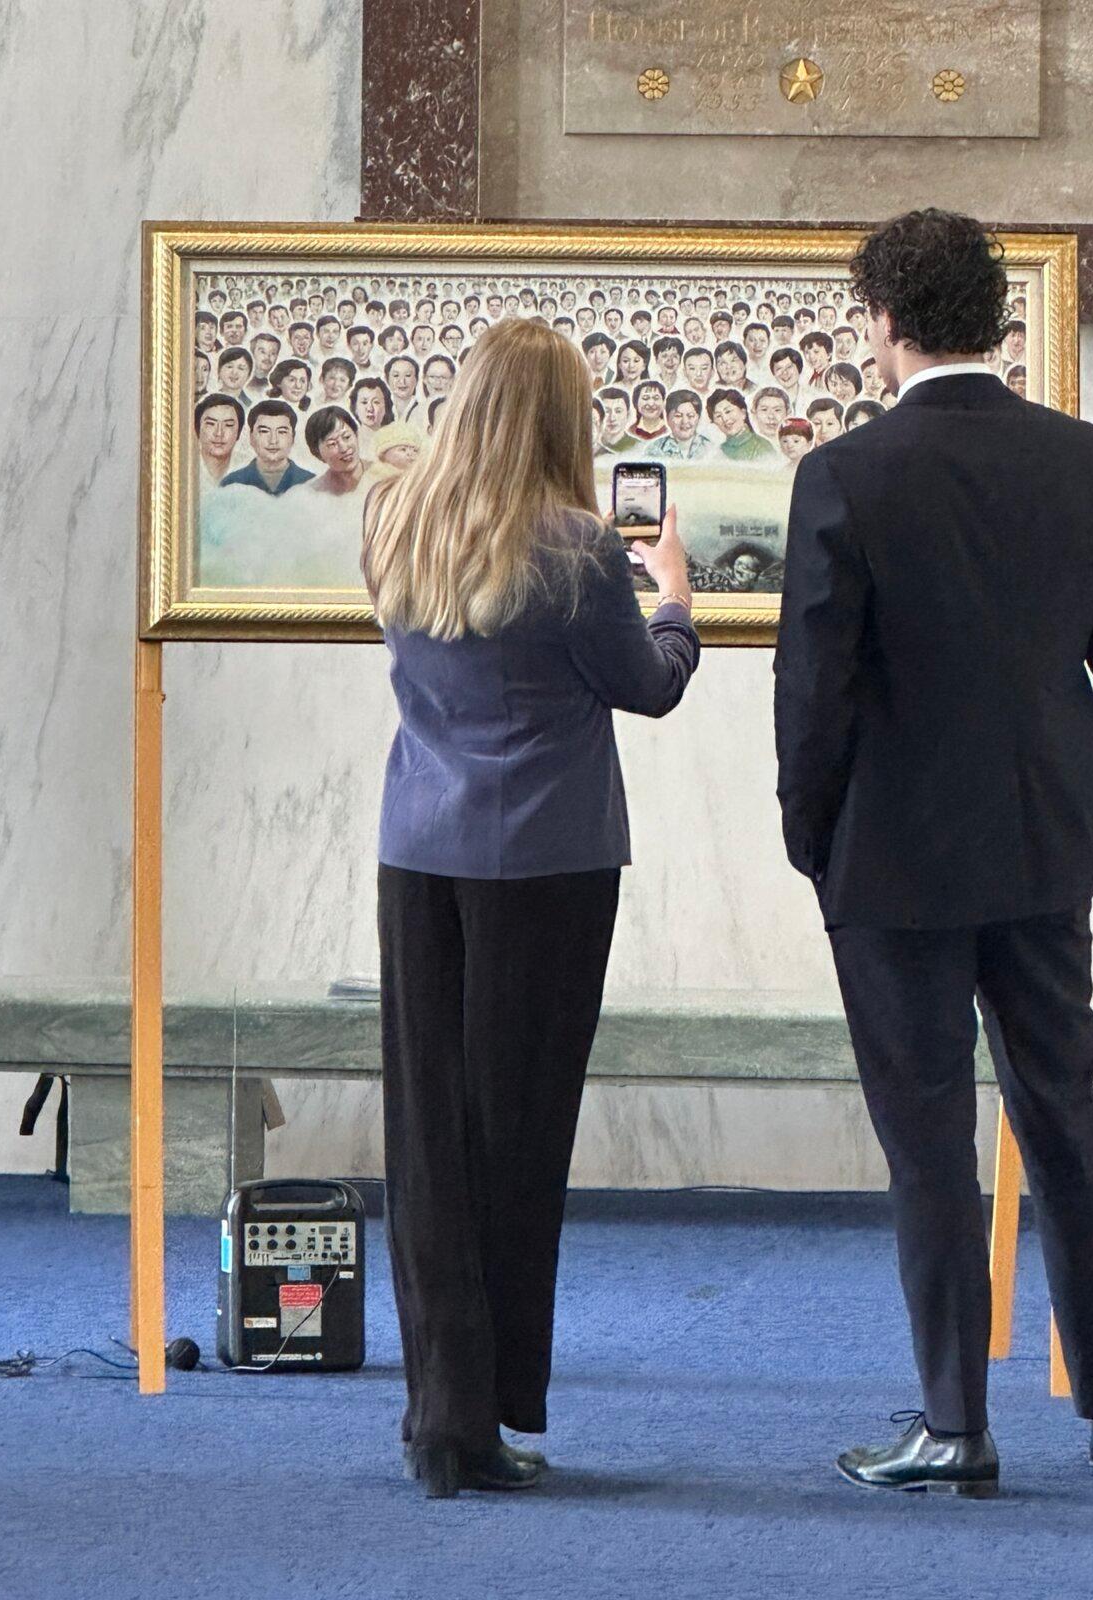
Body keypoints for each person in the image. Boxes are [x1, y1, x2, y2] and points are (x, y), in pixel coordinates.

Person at [774, 208, 1093, 1498]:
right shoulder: (1088, 460)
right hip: (1048, 843)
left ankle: (956, 1422)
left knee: (929, 1142)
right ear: (996, 318)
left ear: (885, 320)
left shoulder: (847, 475)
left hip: (891, 859)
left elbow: (814, 689)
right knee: (1065, 1119)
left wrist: (811, 834)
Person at [361, 317, 699, 1499]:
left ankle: (437, 1412)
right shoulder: (579, 546)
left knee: (428, 1137)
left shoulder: (394, 516)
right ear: (564, 418)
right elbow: (647, 687)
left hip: (419, 850)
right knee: (517, 1134)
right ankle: (495, 1406)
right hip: (547, 863)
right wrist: (676, 599)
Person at [221, 400, 315, 494]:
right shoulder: (231, 483)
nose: (273, 440)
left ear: (293, 437)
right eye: (264, 431)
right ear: (251, 437)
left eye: (282, 432)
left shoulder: (311, 483)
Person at [303, 405, 368, 495]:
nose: (344, 448)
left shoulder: (383, 475)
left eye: (347, 437)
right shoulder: (314, 492)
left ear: (356, 434)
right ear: (318, 453)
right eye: (332, 444)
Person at [644, 390, 716, 461]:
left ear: (698, 418)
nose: (685, 421)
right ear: (667, 418)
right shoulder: (654, 450)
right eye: (678, 416)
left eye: (690, 416)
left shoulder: (711, 449)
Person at [706, 388, 775, 460]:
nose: (725, 419)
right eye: (718, 416)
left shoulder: (762, 447)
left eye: (728, 411)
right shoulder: (719, 451)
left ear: (743, 413)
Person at [194, 392, 244, 488]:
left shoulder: (246, 469)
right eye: (211, 424)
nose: (219, 433)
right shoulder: (184, 467)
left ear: (239, 432)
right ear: (197, 429)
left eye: (228, 425)